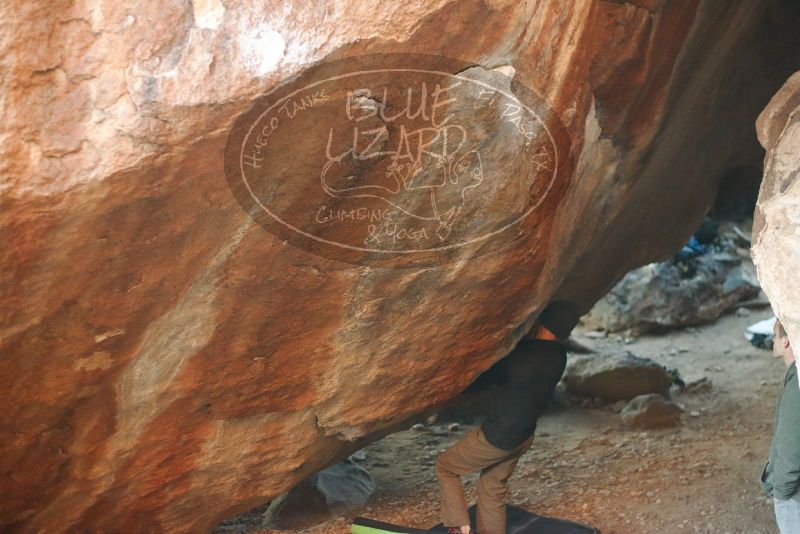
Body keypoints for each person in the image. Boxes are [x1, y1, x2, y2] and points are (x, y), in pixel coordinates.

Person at [436, 301, 580, 534]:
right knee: (492, 486)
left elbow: (478, 382)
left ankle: (459, 527)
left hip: (498, 437)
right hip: (523, 437)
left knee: (446, 467)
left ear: (542, 321)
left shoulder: (522, 355)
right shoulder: (559, 356)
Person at [761, 319, 800, 534]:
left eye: (775, 335)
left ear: (786, 341)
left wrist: (782, 492)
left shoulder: (796, 387)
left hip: (795, 497)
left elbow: (791, 447)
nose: (772, 340)